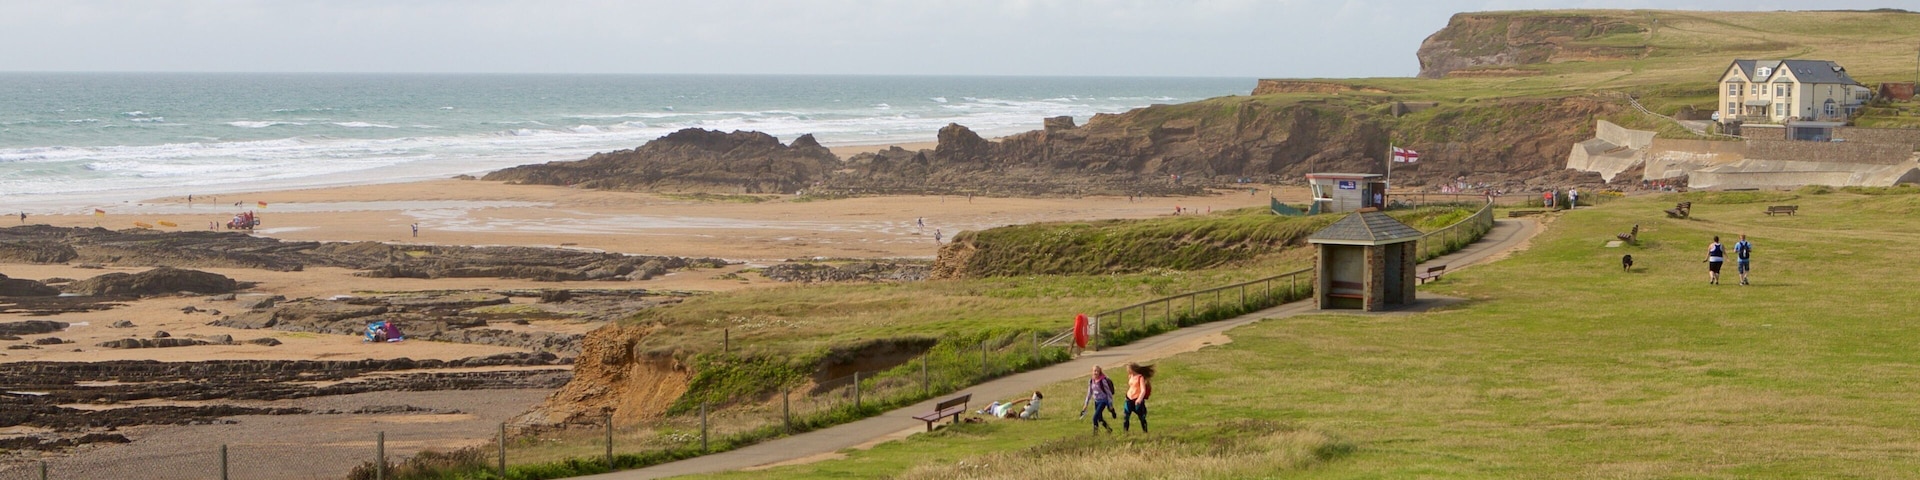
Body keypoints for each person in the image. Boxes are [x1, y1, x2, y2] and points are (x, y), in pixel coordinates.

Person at [1081, 365, 1116, 434]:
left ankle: (1095, 434)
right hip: (1096, 401)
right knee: (1100, 419)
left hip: (1103, 401)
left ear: (1100, 372)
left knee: (1094, 418)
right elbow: (1089, 393)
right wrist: (1086, 404)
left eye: (1097, 371)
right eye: (1094, 371)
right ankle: (1109, 429)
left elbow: (1108, 393)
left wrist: (1110, 403)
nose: (1096, 372)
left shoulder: (1102, 381)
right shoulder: (1091, 381)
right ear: (1092, 371)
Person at [1123, 362, 1153, 433]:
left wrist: (1139, 399)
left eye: (1128, 369)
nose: (1127, 370)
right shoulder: (1130, 376)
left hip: (1137, 401)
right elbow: (1131, 387)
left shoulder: (1140, 377)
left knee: (1142, 417)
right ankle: (1125, 433)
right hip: (1129, 399)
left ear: (1133, 369)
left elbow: (1143, 390)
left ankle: (1145, 432)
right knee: (1126, 417)